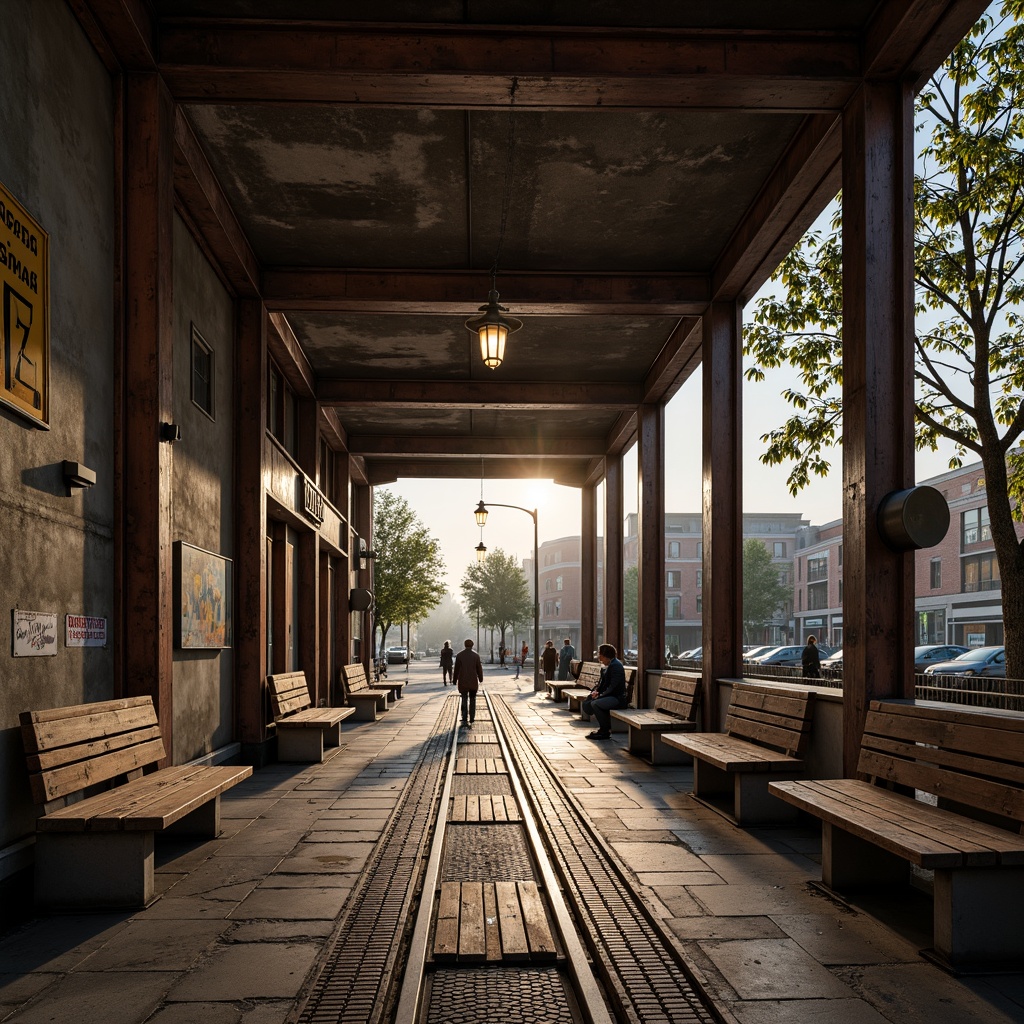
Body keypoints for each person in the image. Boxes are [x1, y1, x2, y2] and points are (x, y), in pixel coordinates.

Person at [582, 643, 628, 740]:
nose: (599, 657)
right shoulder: (611, 664)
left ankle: (604, 731)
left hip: (618, 699)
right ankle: (603, 729)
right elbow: (604, 684)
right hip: (612, 696)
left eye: (600, 654)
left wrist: (600, 696)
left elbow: (613, 687)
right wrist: (597, 692)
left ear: (605, 655)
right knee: (592, 701)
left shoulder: (615, 666)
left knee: (596, 704)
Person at [453, 638, 483, 726]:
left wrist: (454, 680)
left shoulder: (459, 655)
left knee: (464, 698)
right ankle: (472, 717)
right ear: (472, 645)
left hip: (463, 681)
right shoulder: (476, 656)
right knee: (473, 699)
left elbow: (456, 669)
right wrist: (480, 678)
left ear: (464, 645)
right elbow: (479, 668)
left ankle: (464, 716)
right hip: (473, 681)